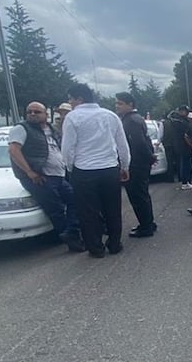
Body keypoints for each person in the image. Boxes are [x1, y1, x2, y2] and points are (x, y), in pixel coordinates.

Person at [61, 83, 130, 258]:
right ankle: (114, 244)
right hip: (109, 169)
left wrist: (70, 168)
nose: (70, 102)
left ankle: (96, 248)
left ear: (79, 99)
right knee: (112, 209)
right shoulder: (111, 116)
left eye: (71, 99)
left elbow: (68, 148)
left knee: (88, 212)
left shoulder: (72, 117)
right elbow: (122, 145)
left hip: (84, 170)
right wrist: (124, 166)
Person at [7, 102, 85, 253]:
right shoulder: (21, 129)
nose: (33, 114)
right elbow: (14, 150)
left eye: (37, 112)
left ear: (46, 114)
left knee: (76, 200)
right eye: (30, 112)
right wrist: (29, 172)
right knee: (56, 209)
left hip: (58, 175)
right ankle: (72, 241)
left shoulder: (51, 129)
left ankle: (71, 232)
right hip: (39, 177)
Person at [113, 92, 156, 237]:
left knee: (137, 196)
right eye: (117, 103)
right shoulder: (134, 118)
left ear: (130, 104)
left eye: (120, 103)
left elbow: (139, 143)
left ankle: (146, 226)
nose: (117, 106)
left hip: (136, 164)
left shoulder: (131, 120)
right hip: (140, 162)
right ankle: (148, 223)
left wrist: (149, 158)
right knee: (142, 194)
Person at [163, 105, 192, 191]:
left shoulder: (175, 121)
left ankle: (185, 181)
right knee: (186, 164)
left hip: (179, 145)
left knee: (184, 163)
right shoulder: (180, 122)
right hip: (184, 145)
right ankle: (186, 182)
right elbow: (186, 135)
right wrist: (191, 144)